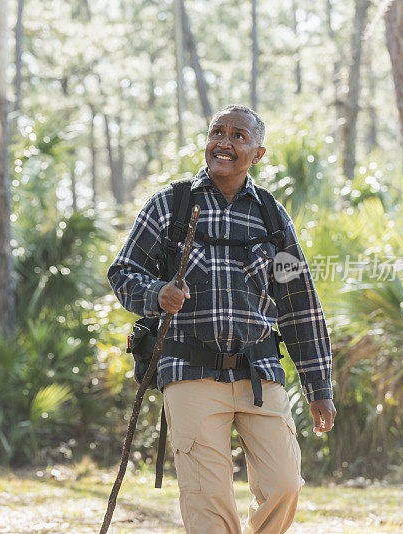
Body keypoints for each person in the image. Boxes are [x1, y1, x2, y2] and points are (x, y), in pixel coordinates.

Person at [108, 105, 336, 533]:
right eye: (217, 132)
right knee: (208, 504)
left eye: (238, 136)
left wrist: (318, 385)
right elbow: (122, 273)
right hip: (189, 373)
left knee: (284, 484)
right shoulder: (169, 205)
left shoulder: (272, 216)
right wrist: (157, 294)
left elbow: (299, 302)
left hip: (259, 373)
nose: (224, 143)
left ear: (258, 152)